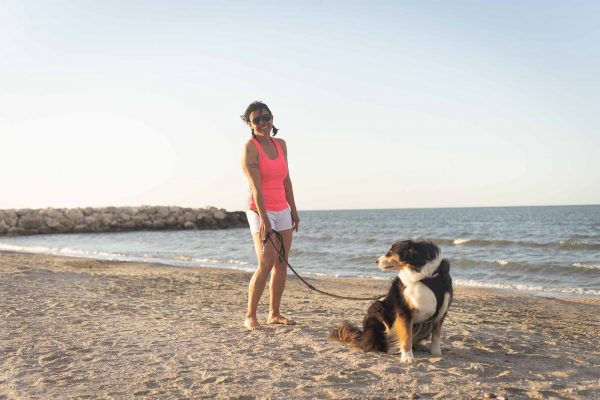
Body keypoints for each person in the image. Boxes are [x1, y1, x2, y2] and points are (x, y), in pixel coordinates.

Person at [240, 101, 300, 331]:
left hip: (282, 208)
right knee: (265, 263)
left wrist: (293, 209)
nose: (263, 123)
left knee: (281, 263)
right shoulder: (250, 148)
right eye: (257, 120)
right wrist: (264, 218)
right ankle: (250, 315)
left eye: (267, 118)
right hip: (259, 209)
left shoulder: (281, 144)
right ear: (250, 123)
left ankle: (274, 313)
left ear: (272, 119)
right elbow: (256, 187)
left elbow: (286, 179)